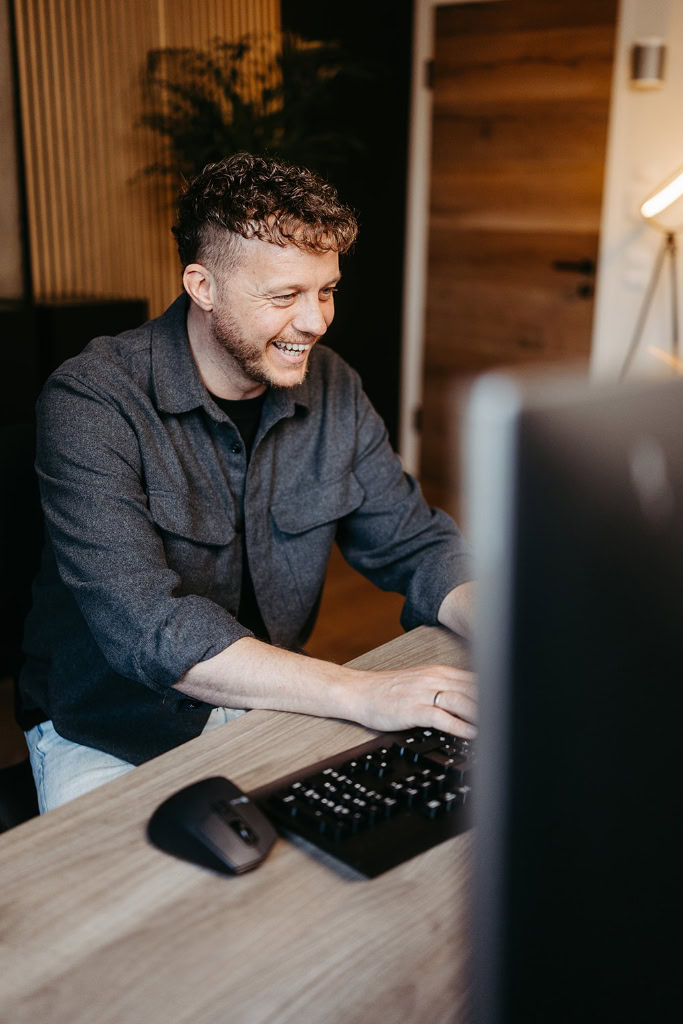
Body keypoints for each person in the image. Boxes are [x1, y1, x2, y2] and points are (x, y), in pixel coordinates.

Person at [18, 153, 477, 813]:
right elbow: (151, 627)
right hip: (109, 728)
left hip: (270, 693)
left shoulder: (333, 383)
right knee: (152, 912)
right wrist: (360, 693)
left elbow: (415, 544)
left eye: (325, 290)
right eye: (284, 295)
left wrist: (510, 628)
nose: (316, 321)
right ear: (202, 286)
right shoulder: (93, 400)